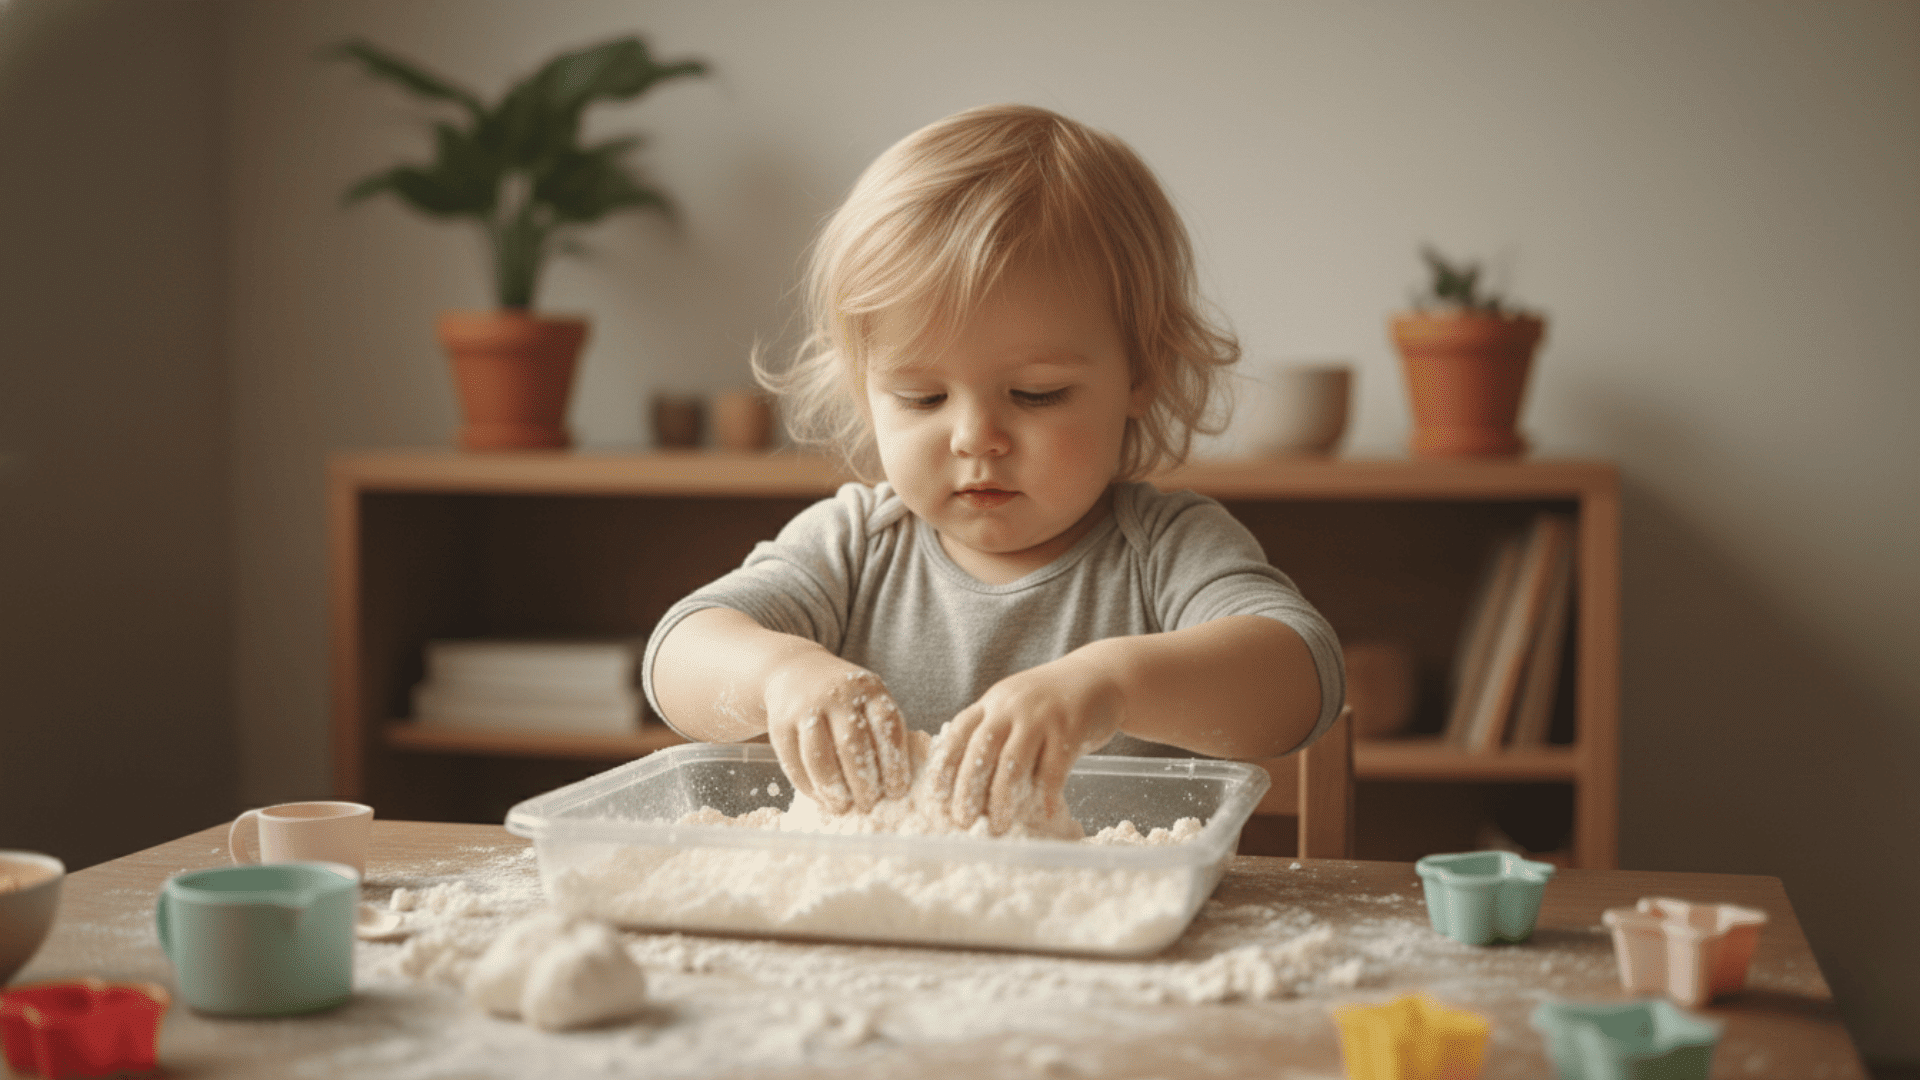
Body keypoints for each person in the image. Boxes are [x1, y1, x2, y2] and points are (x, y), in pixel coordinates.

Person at [644, 104, 1343, 834]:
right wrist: (781, 674)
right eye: (922, 397)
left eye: (1035, 394)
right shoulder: (853, 547)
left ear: (1141, 373)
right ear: (865, 390)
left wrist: (1104, 685)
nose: (977, 438)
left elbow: (1301, 674)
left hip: (1102, 933)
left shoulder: (1165, 551)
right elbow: (678, 651)